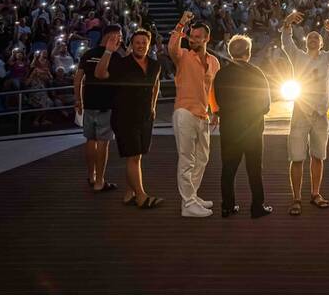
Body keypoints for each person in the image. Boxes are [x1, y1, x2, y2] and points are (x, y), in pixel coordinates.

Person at [280, 10, 329, 215]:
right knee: (297, 157)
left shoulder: (328, 58)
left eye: (316, 38)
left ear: (321, 43)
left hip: (320, 114)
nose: (312, 39)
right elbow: (286, 42)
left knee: (318, 156)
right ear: (306, 42)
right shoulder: (298, 57)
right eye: (309, 37)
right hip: (301, 112)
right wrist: (287, 23)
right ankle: (297, 198)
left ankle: (315, 193)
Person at [96, 29, 163, 209]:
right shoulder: (122, 64)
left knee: (136, 157)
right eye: (137, 42)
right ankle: (141, 196)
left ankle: (130, 191)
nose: (141, 45)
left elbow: (155, 86)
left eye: (144, 43)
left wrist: (153, 107)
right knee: (133, 155)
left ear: (148, 45)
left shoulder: (155, 65)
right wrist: (108, 51)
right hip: (124, 116)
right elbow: (100, 74)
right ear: (132, 45)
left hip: (145, 116)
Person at [210, 34, 273, 218]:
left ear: (230, 52)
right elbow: (266, 105)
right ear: (249, 52)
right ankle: (257, 206)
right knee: (254, 169)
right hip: (253, 128)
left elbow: (217, 102)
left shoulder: (221, 74)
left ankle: (227, 206)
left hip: (230, 129)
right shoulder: (257, 73)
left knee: (228, 169)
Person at [168, 12, 221, 218]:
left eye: (198, 37)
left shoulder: (214, 62)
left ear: (207, 39)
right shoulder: (182, 55)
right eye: (191, 36)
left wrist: (215, 110)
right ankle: (188, 203)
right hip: (184, 111)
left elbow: (212, 89)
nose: (193, 39)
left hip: (203, 115)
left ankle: (192, 196)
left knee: (202, 158)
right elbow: (172, 46)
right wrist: (181, 24)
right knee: (186, 159)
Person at [75, 25, 120, 193]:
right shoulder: (114, 56)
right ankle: (100, 180)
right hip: (105, 105)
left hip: (89, 103)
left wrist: (78, 99)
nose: (120, 39)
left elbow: (78, 79)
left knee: (90, 140)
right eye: (119, 36)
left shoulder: (87, 54)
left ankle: (91, 175)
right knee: (103, 142)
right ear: (111, 36)